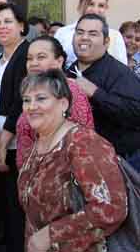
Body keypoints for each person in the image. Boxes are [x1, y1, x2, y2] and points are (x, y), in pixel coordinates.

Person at [18, 70, 127, 252]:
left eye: (41, 98)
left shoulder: (83, 143)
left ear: (63, 104)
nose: (31, 106)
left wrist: (50, 234)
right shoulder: (38, 144)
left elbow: (111, 208)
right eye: (27, 100)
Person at [67, 13, 140, 171]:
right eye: (80, 32)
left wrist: (96, 93)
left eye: (93, 34)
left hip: (120, 163)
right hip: (79, 162)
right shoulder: (69, 72)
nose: (84, 38)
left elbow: (136, 113)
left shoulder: (120, 74)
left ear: (106, 42)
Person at [16, 35, 94, 169]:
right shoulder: (32, 89)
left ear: (59, 61)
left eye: (41, 57)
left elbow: (78, 141)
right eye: (29, 58)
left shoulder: (69, 91)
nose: (33, 63)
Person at [0, 3, 29, 252]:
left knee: (17, 214)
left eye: (8, 21)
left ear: (21, 26)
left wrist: (3, 144)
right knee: (5, 211)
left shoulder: (26, 55)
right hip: (1, 142)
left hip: (16, 145)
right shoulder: (0, 58)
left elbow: (20, 103)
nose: (1, 26)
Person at [55, 0, 127, 68]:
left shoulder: (115, 36)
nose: (95, 10)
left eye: (101, 5)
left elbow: (122, 70)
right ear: (81, 4)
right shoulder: (63, 33)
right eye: (90, 4)